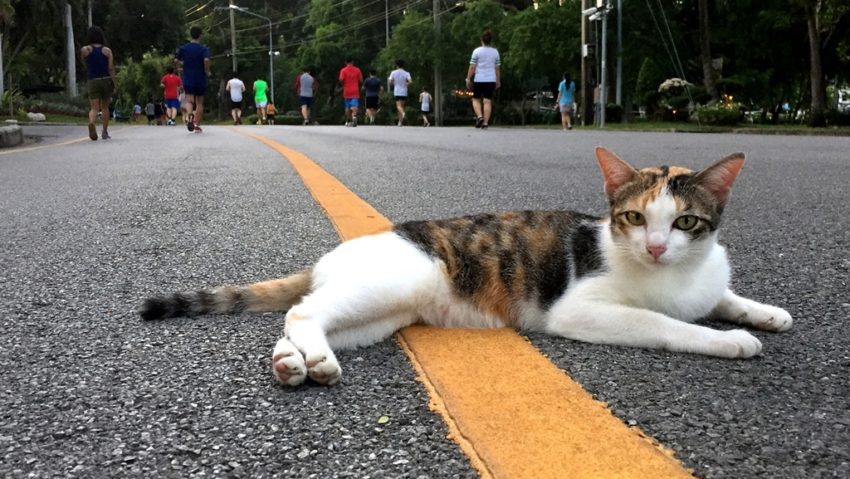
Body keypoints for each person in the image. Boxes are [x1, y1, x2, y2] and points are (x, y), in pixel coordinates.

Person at [80, 26, 116, 141]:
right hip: (105, 79)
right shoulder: (107, 51)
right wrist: (115, 83)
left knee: (94, 108)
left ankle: (91, 122)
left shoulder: (85, 50)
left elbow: (85, 64)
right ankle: (105, 132)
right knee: (105, 107)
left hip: (92, 80)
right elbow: (110, 68)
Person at [176, 26, 210, 133]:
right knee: (199, 102)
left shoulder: (184, 48)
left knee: (189, 100)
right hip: (200, 78)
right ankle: (196, 124)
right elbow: (206, 60)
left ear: (191, 35)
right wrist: (207, 70)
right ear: (200, 35)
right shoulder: (203, 49)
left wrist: (183, 65)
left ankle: (189, 116)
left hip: (188, 78)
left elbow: (176, 60)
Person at [465, 29, 500, 129]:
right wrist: (498, 80)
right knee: (487, 101)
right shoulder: (495, 52)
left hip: (479, 79)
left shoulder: (477, 51)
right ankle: (485, 123)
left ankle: (479, 116)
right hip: (491, 79)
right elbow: (497, 68)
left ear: (481, 40)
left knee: (475, 99)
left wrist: (468, 78)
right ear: (490, 40)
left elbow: (472, 66)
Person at [338, 58, 363, 127]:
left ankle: (348, 121)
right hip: (355, 90)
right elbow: (361, 80)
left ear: (346, 62)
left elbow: (341, 80)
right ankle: (354, 116)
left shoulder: (343, 70)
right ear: (353, 62)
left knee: (347, 106)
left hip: (347, 90)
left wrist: (343, 85)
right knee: (354, 105)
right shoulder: (357, 70)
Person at [388, 59, 412, 126]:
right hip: (404, 91)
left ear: (396, 65)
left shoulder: (393, 72)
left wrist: (394, 83)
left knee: (398, 106)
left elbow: (389, 81)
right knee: (402, 106)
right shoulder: (406, 73)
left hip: (397, 91)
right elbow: (410, 82)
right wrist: (406, 84)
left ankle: (403, 114)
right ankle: (400, 122)